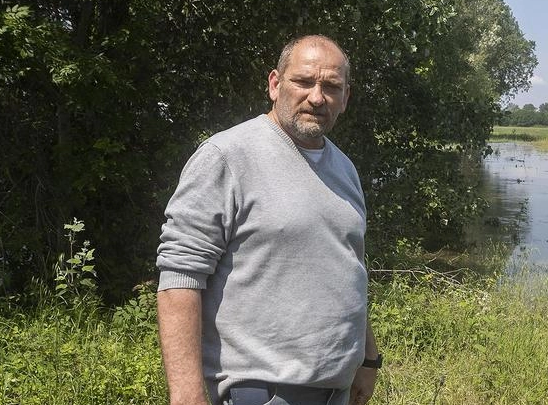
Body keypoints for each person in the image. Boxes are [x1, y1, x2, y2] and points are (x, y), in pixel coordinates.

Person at [157, 35, 380, 405]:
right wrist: (186, 396)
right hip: (260, 393)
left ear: (346, 98)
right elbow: (180, 278)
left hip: (337, 393)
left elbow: (347, 269)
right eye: (304, 81)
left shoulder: (344, 169)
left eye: (331, 86)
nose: (316, 96)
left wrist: (368, 357)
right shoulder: (227, 156)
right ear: (275, 84)